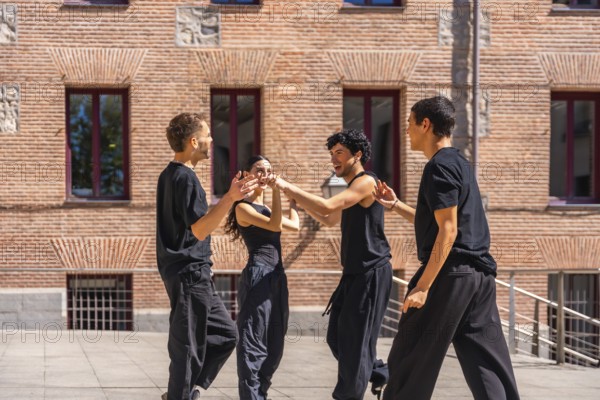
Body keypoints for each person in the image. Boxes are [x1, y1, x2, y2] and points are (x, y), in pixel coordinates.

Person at [374, 96, 520, 400]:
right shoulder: (459, 163)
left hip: (450, 277)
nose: (408, 131)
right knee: (486, 364)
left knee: (409, 358)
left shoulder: (439, 167)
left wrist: (423, 286)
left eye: (410, 123)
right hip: (479, 279)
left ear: (425, 124)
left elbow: (449, 231)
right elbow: (445, 223)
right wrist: (397, 205)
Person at [273, 129, 392, 400]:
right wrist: (301, 205)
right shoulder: (352, 188)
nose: (334, 160)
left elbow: (327, 207)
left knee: (356, 344)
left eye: (339, 153)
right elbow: (329, 219)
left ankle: (348, 394)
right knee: (337, 337)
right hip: (353, 274)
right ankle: (377, 371)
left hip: (371, 272)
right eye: (331, 154)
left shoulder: (366, 182)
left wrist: (285, 185)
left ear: (357, 155)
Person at [156, 112, 258, 400]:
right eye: (207, 134)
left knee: (227, 335)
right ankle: (180, 394)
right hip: (189, 273)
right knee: (186, 347)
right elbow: (200, 230)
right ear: (193, 141)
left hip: (195, 272)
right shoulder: (184, 179)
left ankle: (185, 392)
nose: (212, 139)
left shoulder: (170, 175)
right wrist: (230, 198)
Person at [224, 155, 300, 400]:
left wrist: (292, 201)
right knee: (252, 341)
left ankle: (261, 394)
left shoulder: (266, 209)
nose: (265, 174)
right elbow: (276, 225)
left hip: (277, 276)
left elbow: (294, 226)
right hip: (259, 275)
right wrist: (278, 191)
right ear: (247, 174)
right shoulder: (243, 208)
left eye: (268, 169)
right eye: (259, 169)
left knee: (275, 343)